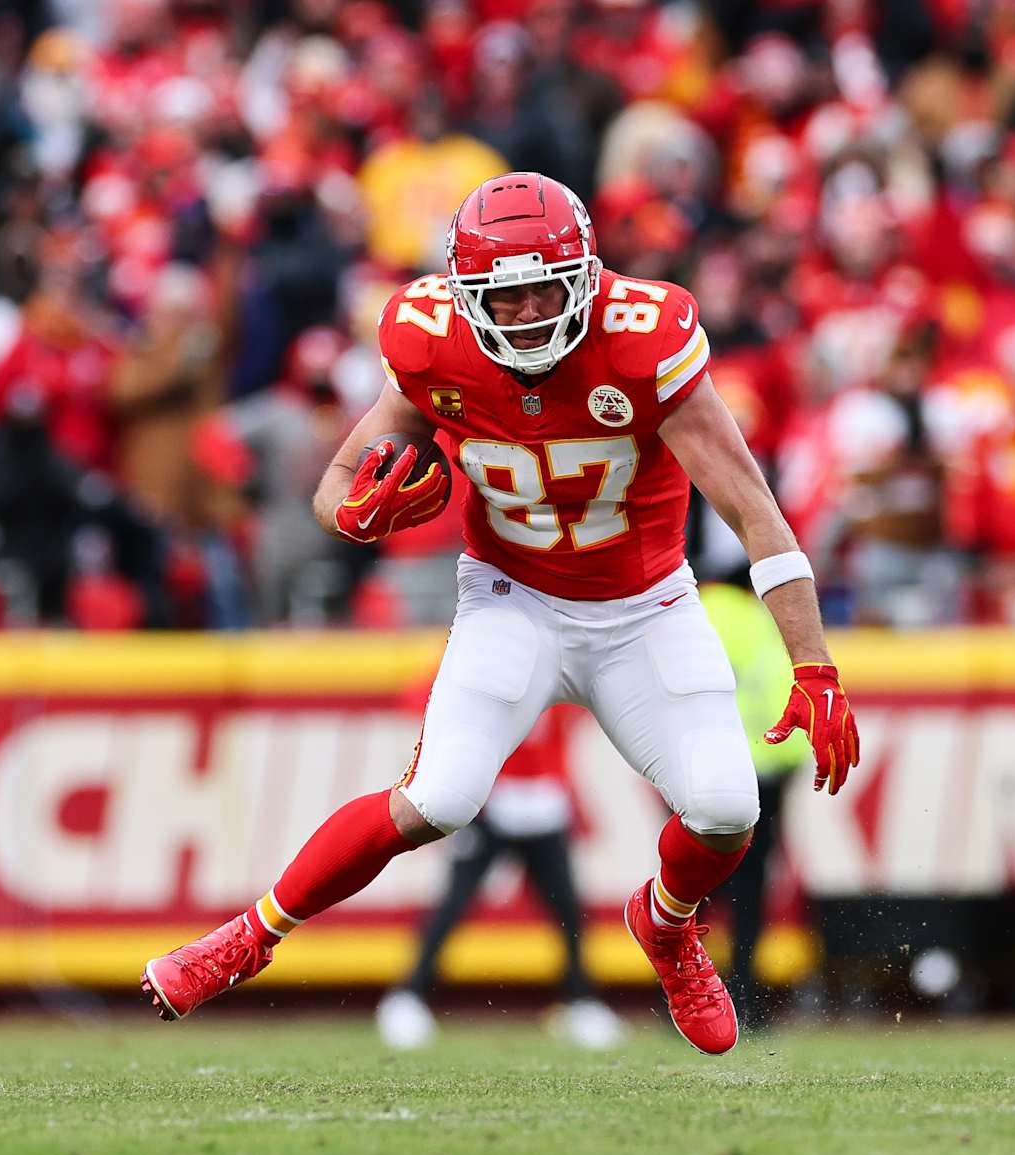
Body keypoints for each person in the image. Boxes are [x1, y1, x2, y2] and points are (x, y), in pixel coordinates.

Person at [141, 172, 862, 1057]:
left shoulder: (646, 341)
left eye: (541, 288)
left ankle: (666, 926)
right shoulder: (430, 340)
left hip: (645, 607)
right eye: (501, 293)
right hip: (511, 600)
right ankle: (245, 939)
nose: (523, 311)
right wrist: (355, 515)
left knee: (725, 810)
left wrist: (814, 664)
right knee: (438, 797)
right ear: (463, 294)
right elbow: (336, 484)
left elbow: (755, 508)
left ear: (588, 278)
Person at [375, 703, 625, 1051]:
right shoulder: (487, 658)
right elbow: (427, 703)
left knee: (569, 910)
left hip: (546, 806)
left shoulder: (563, 663)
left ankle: (581, 1000)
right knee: (454, 904)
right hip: (487, 802)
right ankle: (408, 997)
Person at [698, 572, 813, 1027]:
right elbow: (780, 691)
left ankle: (683, 992)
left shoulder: (695, 612)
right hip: (762, 773)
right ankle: (743, 996)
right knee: (749, 893)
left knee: (690, 889)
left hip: (702, 772)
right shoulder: (763, 617)